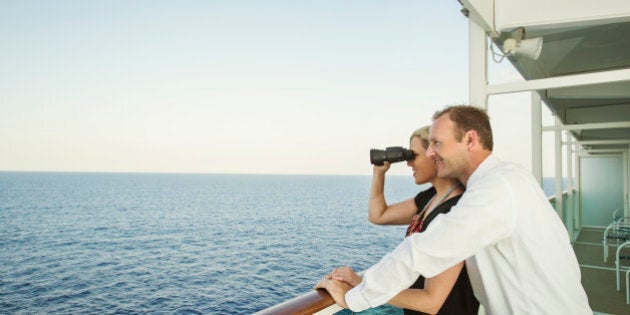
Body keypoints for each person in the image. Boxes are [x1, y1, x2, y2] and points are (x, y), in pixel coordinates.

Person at [316, 105, 592, 314]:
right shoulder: (505, 180)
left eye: (437, 143)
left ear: (470, 140)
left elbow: (424, 250)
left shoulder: (495, 190)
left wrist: (354, 295)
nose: (431, 153)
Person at [317, 126, 478, 314]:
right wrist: (379, 172)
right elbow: (379, 215)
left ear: (434, 154)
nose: (409, 163)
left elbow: (432, 301)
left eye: (412, 155)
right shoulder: (431, 198)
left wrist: (362, 285)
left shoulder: (454, 210)